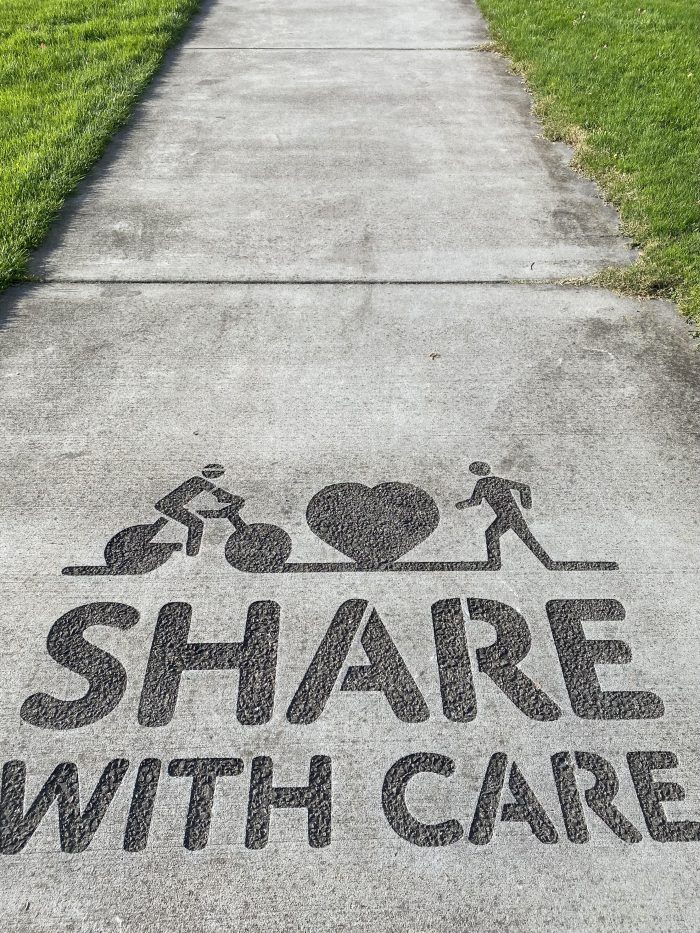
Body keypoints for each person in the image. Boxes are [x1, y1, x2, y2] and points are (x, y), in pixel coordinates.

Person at [456, 461, 554, 569]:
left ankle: (494, 563)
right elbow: (524, 488)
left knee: (495, 534)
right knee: (524, 537)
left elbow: (475, 501)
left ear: (476, 472)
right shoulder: (497, 480)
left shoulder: (482, 483)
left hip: (507, 515)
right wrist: (526, 504)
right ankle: (548, 563)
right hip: (512, 513)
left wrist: (462, 505)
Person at [154, 464, 245, 556]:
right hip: (168, 505)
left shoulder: (198, 481)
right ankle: (192, 552)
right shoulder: (198, 481)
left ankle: (223, 496)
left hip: (172, 503)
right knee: (197, 524)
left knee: (197, 482)